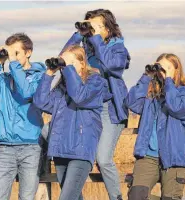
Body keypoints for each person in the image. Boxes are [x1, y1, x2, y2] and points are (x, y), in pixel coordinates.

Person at [61, 9, 131, 200]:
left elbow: (109, 66)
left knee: (103, 158)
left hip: (109, 108)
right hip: (88, 107)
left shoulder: (119, 49)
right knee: (78, 156)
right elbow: (63, 59)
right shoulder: (85, 47)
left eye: (96, 26)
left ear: (108, 28)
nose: (91, 30)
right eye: (89, 25)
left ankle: (116, 197)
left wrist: (97, 39)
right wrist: (78, 34)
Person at [33, 45, 112, 200]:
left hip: (81, 150)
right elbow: (41, 102)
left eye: (71, 62)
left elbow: (79, 96)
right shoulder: (61, 88)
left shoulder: (95, 82)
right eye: (64, 63)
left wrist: (67, 68)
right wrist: (49, 73)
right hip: (61, 149)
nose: (66, 67)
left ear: (82, 63)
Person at [0, 33, 46, 200]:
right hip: (5, 147)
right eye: (10, 53)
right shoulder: (5, 79)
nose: (12, 58)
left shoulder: (39, 77)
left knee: (26, 197)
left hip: (30, 146)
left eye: (16, 53)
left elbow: (26, 92)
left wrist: (13, 64)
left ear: (28, 52)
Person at [125, 53, 185, 200]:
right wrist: (146, 76)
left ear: (176, 70)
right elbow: (131, 102)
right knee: (136, 196)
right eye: (159, 67)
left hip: (174, 157)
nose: (162, 71)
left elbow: (176, 107)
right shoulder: (151, 93)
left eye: (167, 68)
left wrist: (169, 80)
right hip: (148, 155)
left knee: (170, 197)